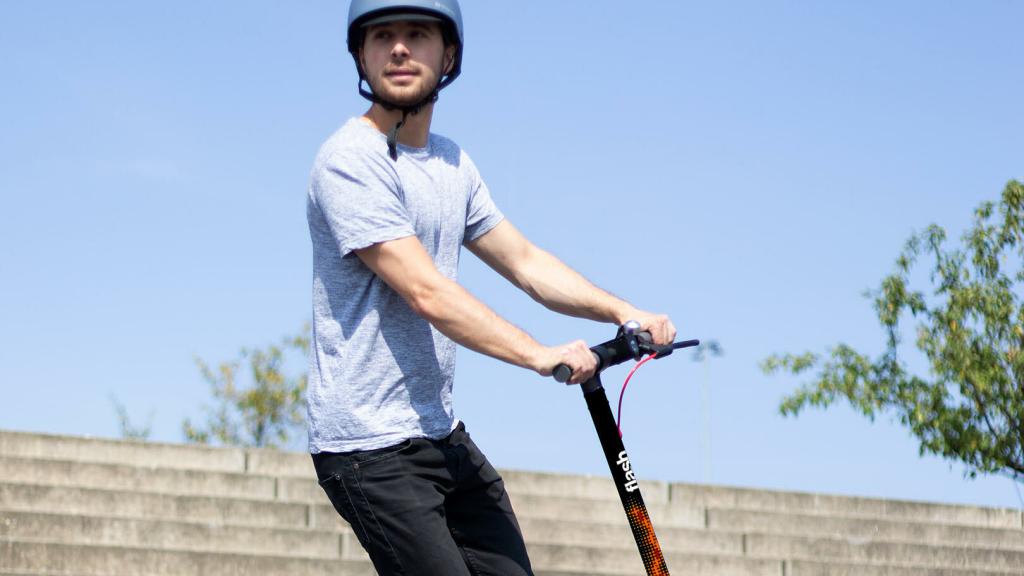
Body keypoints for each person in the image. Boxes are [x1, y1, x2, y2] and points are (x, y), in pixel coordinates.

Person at [306, 1, 677, 574]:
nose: (399, 49)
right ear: (361, 53)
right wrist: (538, 354)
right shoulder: (350, 161)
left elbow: (526, 263)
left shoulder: (451, 163)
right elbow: (426, 291)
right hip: (368, 449)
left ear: (448, 53)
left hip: (440, 435)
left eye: (417, 35)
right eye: (383, 37)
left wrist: (623, 312)